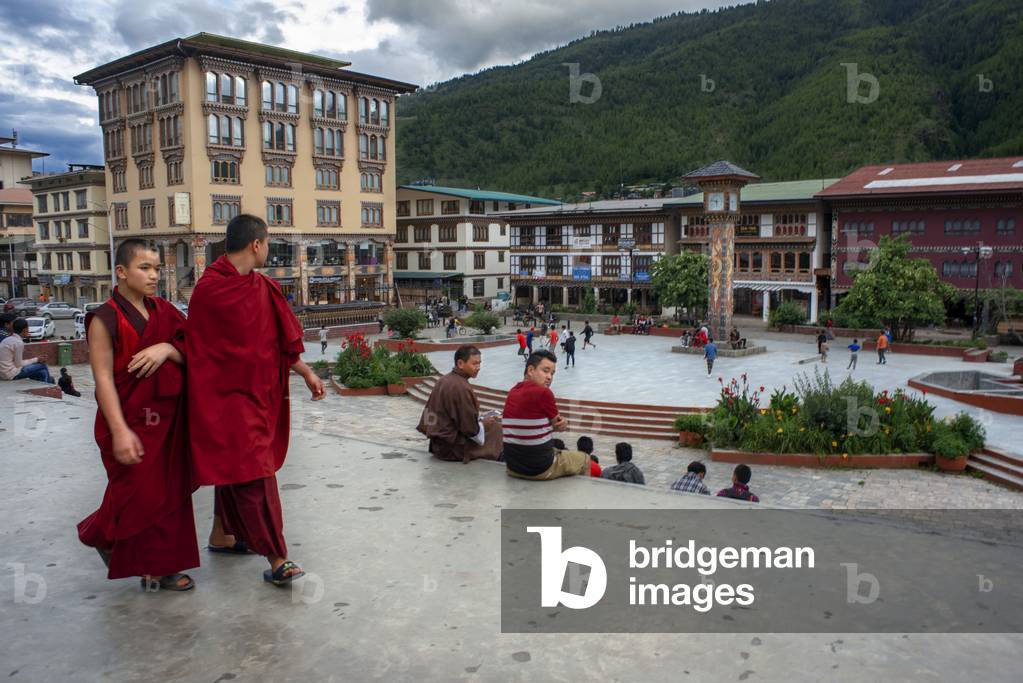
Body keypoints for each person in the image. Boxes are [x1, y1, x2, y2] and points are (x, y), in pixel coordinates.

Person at [187, 214, 325, 588]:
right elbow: (198, 347)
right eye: (268, 243)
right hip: (226, 401)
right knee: (255, 473)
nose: (268, 249)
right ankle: (277, 557)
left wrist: (305, 371)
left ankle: (222, 535)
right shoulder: (210, 290)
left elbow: (276, 343)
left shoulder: (262, 287)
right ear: (256, 244)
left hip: (258, 397)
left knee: (233, 467)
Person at [77, 238, 198, 592]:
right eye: (144, 268)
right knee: (138, 494)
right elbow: (102, 379)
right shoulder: (105, 319)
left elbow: (195, 348)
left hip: (167, 420)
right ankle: (111, 540)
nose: (154, 275)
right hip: (129, 420)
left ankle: (157, 564)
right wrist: (119, 431)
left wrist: (167, 349)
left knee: (168, 493)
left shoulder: (164, 310)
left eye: (157, 268)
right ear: (121, 271)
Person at [502, 350, 589, 480]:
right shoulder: (543, 392)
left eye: (552, 373)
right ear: (530, 370)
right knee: (585, 459)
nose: (549, 377)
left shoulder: (512, 392)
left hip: (513, 467)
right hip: (539, 468)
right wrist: (564, 422)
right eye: (545, 371)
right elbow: (559, 426)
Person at [416, 345, 502, 463]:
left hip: (437, 445)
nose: (478, 367)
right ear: (460, 363)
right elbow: (470, 430)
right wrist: (483, 423)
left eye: (479, 363)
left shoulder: (443, 380)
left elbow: (429, 416)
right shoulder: (461, 387)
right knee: (496, 429)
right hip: (452, 448)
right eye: (474, 363)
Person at [0, 319, 54, 384]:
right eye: (28, 328)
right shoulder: (18, 342)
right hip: (10, 374)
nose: (28, 330)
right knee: (43, 365)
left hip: (3, 373)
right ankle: (50, 386)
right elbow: (19, 364)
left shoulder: (8, 339)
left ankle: (47, 385)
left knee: (42, 372)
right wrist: (37, 359)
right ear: (24, 330)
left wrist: (37, 359)